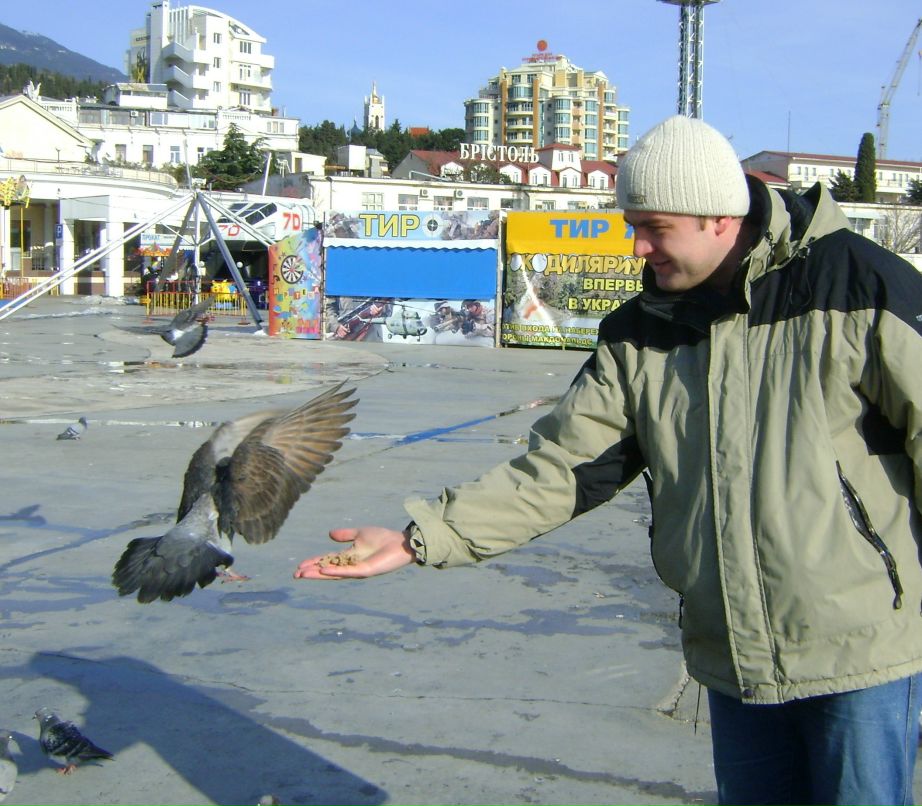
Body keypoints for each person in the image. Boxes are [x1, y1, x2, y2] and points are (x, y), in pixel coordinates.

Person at [294, 115, 922, 806]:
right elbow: (562, 468)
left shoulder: (861, 286)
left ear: (718, 217)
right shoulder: (639, 330)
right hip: (732, 651)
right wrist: (422, 537)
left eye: (654, 226)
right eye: (631, 223)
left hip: (863, 649)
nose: (637, 245)